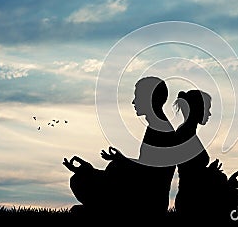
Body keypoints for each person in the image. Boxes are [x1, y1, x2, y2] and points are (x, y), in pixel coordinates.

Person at [63, 76, 176, 221]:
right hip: (144, 200)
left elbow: (151, 175)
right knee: (83, 177)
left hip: (148, 205)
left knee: (81, 181)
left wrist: (121, 161)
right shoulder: (157, 128)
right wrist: (94, 169)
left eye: (137, 97)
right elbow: (146, 167)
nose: (134, 102)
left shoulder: (162, 132)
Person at [173, 89, 238, 222]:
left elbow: (197, 175)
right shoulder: (184, 135)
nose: (209, 114)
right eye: (207, 109)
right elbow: (194, 179)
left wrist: (226, 181)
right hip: (194, 201)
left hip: (201, 196)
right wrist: (218, 177)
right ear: (197, 109)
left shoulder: (188, 134)